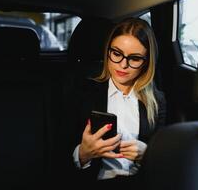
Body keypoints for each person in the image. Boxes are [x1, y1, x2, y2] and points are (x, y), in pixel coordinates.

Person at [69, 17, 166, 189]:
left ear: (146, 62)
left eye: (134, 58)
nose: (123, 65)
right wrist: (83, 153)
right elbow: (55, 157)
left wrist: (147, 155)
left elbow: (165, 158)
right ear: (108, 52)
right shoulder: (82, 92)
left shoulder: (157, 100)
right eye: (116, 53)